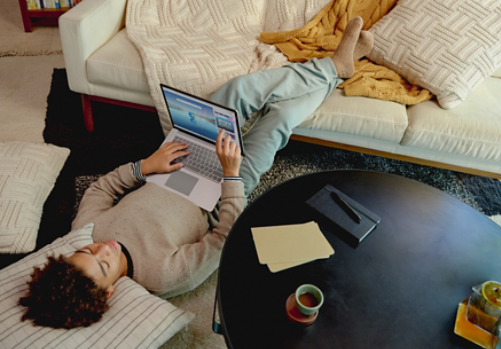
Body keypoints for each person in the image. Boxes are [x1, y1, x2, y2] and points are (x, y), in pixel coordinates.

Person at [18, 17, 374, 329]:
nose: (102, 250)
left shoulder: (85, 232)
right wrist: (232, 175)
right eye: (103, 264)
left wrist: (147, 166)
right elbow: (222, 240)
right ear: (111, 290)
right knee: (277, 122)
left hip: (173, 164)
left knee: (236, 91)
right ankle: (336, 69)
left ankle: (333, 68)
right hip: (220, 192)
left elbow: (100, 190)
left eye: (90, 251)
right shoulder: (162, 275)